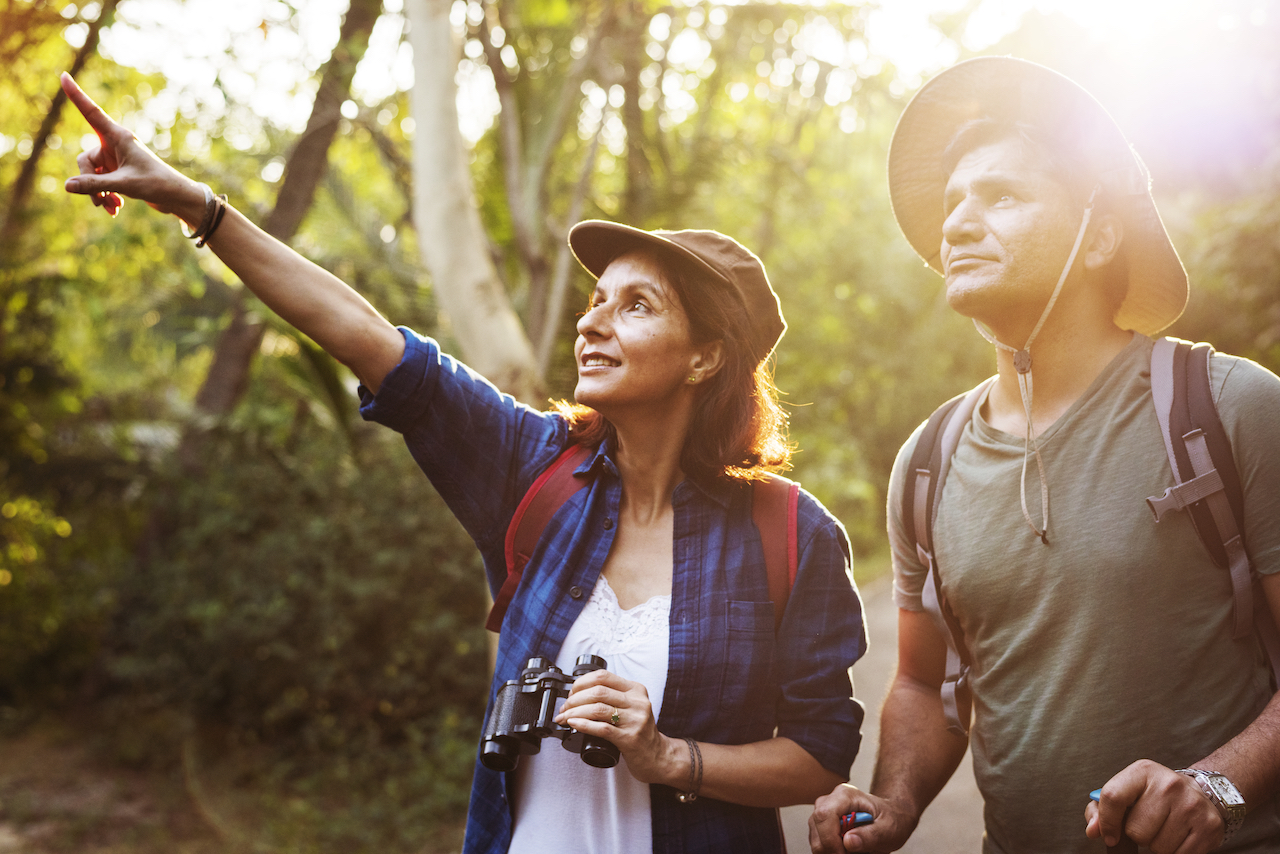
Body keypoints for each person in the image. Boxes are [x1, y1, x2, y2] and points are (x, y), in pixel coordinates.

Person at [58, 73, 867, 854]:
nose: (594, 325)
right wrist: (194, 203)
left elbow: (821, 754)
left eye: (638, 307)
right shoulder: (532, 469)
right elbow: (362, 331)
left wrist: (669, 757)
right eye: (596, 302)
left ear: (704, 360)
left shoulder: (790, 534)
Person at [808, 57, 1280, 854]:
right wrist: (894, 802)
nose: (955, 224)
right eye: (953, 201)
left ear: (1098, 237)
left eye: (1001, 196)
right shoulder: (927, 463)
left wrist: (1215, 787)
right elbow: (927, 682)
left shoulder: (1230, 409)